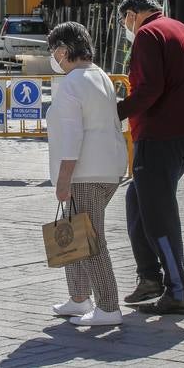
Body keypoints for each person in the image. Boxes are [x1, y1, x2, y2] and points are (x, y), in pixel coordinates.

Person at [117, 0, 184, 315]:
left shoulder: (147, 34)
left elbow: (149, 89)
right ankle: (150, 277)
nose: (126, 27)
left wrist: (116, 113)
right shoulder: (180, 28)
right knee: (137, 200)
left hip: (160, 135)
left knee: (158, 215)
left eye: (124, 20)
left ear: (133, 13)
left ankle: (178, 290)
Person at [46, 21, 128, 328]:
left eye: (53, 50)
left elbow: (72, 136)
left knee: (91, 239)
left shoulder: (72, 83)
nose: (53, 57)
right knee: (77, 232)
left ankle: (107, 307)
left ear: (64, 50)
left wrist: (63, 179)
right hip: (108, 169)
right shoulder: (100, 76)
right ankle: (79, 298)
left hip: (86, 173)